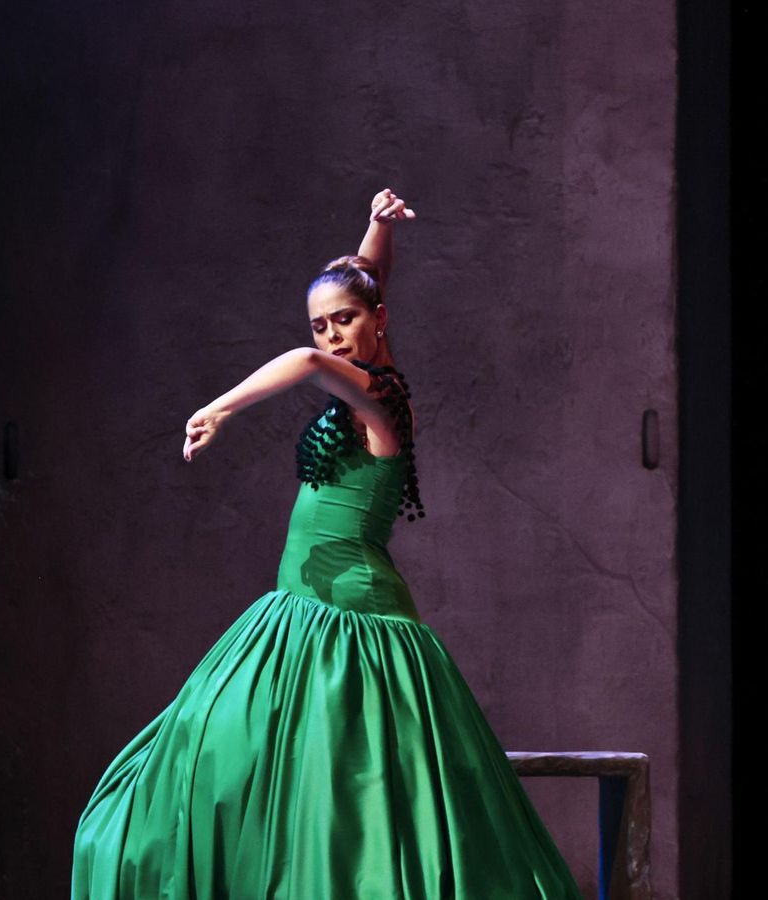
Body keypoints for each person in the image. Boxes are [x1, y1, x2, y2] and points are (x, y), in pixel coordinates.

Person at [70, 189, 584, 898]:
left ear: (381, 325)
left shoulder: (382, 394)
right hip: (296, 607)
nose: (333, 336)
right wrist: (375, 230)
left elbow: (311, 364)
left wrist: (219, 408)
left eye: (346, 321)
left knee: (349, 790)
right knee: (220, 759)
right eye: (320, 326)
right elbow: (363, 283)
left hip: (352, 619)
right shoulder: (360, 349)